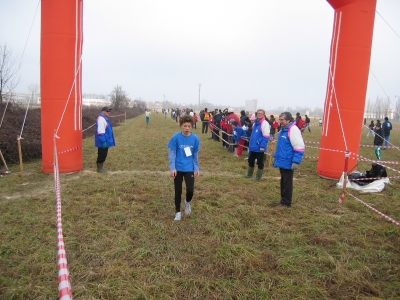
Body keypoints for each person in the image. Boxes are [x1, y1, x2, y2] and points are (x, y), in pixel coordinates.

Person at [168, 115, 201, 221]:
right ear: (181, 126)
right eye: (185, 126)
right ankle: (178, 212)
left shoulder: (195, 139)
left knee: (190, 190)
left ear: (192, 126)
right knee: (178, 191)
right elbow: (172, 154)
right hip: (178, 168)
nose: (187, 128)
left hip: (189, 168)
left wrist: (196, 168)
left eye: (189, 126)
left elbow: (195, 155)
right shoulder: (176, 137)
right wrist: (172, 168)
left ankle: (187, 202)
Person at [273, 112, 305, 207]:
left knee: (287, 182)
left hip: (288, 161)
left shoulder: (293, 130)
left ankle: (286, 202)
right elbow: (280, 147)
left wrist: (296, 161)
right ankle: (283, 200)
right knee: (283, 181)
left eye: (282, 119)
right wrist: (276, 157)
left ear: (288, 120)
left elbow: (299, 146)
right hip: (282, 160)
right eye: (280, 119)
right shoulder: (283, 130)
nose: (280, 121)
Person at [244, 109, 270, 181]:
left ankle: (258, 177)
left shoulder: (265, 124)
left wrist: (262, 146)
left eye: (261, 113)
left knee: (260, 162)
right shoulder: (255, 123)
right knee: (251, 160)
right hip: (253, 147)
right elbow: (253, 135)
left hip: (259, 147)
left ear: (264, 115)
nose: (259, 114)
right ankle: (249, 174)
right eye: (258, 113)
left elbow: (266, 136)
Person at [95, 106, 116, 173]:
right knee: (102, 154)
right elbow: (100, 132)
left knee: (104, 154)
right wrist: (103, 141)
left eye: (109, 111)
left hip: (105, 139)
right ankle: (99, 169)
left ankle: (101, 167)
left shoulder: (104, 118)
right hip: (102, 141)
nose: (109, 112)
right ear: (103, 111)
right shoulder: (101, 119)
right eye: (107, 111)